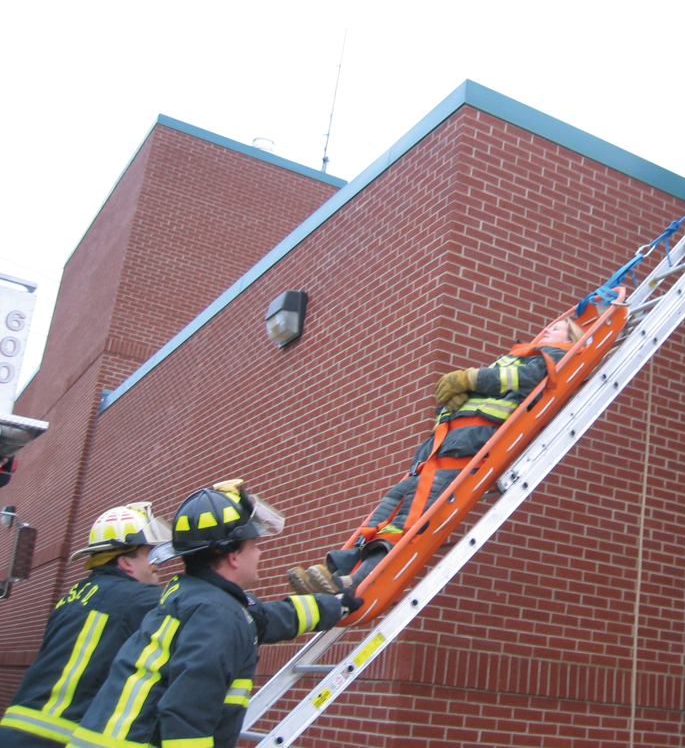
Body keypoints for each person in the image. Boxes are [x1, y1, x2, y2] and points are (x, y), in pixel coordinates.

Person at [287, 316, 585, 596]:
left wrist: (471, 378)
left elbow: (523, 378)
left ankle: (355, 581)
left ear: (570, 338)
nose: (548, 329)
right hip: (437, 452)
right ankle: (335, 570)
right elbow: (485, 395)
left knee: (409, 521)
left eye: (557, 327)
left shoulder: (554, 358)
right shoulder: (516, 359)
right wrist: (456, 397)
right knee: (386, 511)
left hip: (463, 453)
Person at [66, 479, 362, 748]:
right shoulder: (216, 614)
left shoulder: (195, 596)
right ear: (233, 555)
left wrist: (335, 606)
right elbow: (186, 716)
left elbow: (263, 619)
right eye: (254, 545)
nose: (259, 554)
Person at [0, 503, 171, 747]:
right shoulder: (137, 597)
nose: (157, 564)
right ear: (126, 562)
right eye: (150, 554)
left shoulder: (73, 596)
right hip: (57, 738)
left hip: (14, 731)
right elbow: (191, 609)